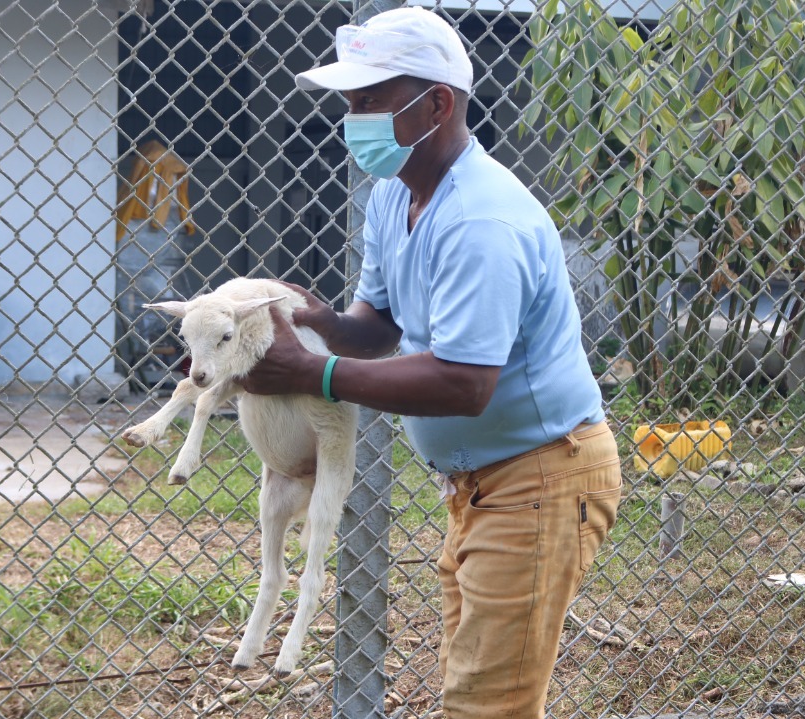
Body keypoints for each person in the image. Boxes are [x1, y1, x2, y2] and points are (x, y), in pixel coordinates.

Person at [237, 6, 623, 719]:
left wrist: (310, 372)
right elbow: (377, 326)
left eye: (370, 101)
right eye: (349, 103)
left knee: (486, 703)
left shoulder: (481, 219)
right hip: (481, 484)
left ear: (436, 103)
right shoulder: (395, 196)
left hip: (540, 474)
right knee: (482, 689)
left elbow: (463, 382)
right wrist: (313, 319)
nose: (352, 119)